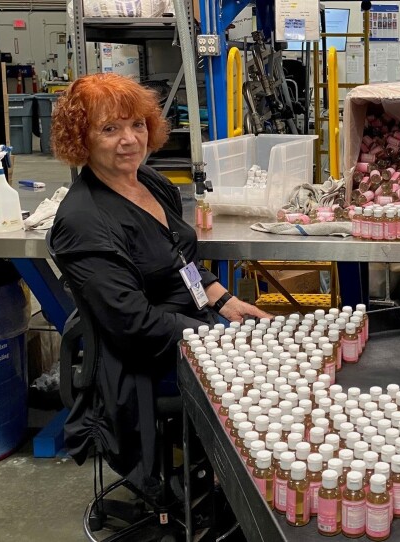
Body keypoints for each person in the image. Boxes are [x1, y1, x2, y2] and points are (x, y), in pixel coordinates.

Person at [48, 73, 268, 495]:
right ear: (81, 138)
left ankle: (229, 482)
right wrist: (216, 341)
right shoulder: (84, 222)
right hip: (143, 357)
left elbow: (176, 260)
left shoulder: (150, 182)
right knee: (261, 385)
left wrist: (221, 300)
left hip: (188, 323)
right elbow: (133, 324)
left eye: (137, 124)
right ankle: (225, 488)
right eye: (109, 129)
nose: (130, 139)